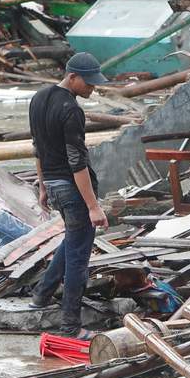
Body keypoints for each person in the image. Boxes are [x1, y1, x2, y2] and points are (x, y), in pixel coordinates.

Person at [29, 52, 109, 337]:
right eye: (89, 83)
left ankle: (41, 294)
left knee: (73, 239)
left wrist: (42, 186)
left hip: (53, 183)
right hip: (72, 189)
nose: (92, 88)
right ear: (72, 76)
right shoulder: (72, 111)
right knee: (79, 257)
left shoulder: (38, 98)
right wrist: (93, 206)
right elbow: (77, 162)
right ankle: (71, 327)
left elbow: (37, 147)